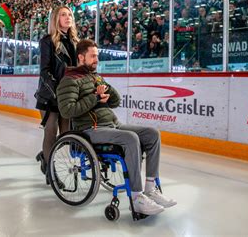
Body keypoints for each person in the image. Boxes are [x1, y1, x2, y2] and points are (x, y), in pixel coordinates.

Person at [56, 39, 177, 215]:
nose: (97, 59)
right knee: (131, 138)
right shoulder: (70, 80)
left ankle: (150, 188)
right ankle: (136, 199)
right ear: (81, 57)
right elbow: (67, 111)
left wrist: (106, 91)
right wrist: (95, 98)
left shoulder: (95, 76)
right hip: (91, 130)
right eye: (93, 56)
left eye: (97, 55)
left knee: (152, 134)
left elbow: (116, 101)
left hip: (113, 125)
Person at [34, 5, 79, 185]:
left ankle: (45, 156)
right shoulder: (47, 41)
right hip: (49, 97)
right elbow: (45, 71)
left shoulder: (76, 42)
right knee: (51, 132)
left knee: (67, 134)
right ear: (56, 19)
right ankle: (51, 173)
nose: (67, 17)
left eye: (69, 14)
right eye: (63, 15)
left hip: (68, 96)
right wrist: (57, 92)